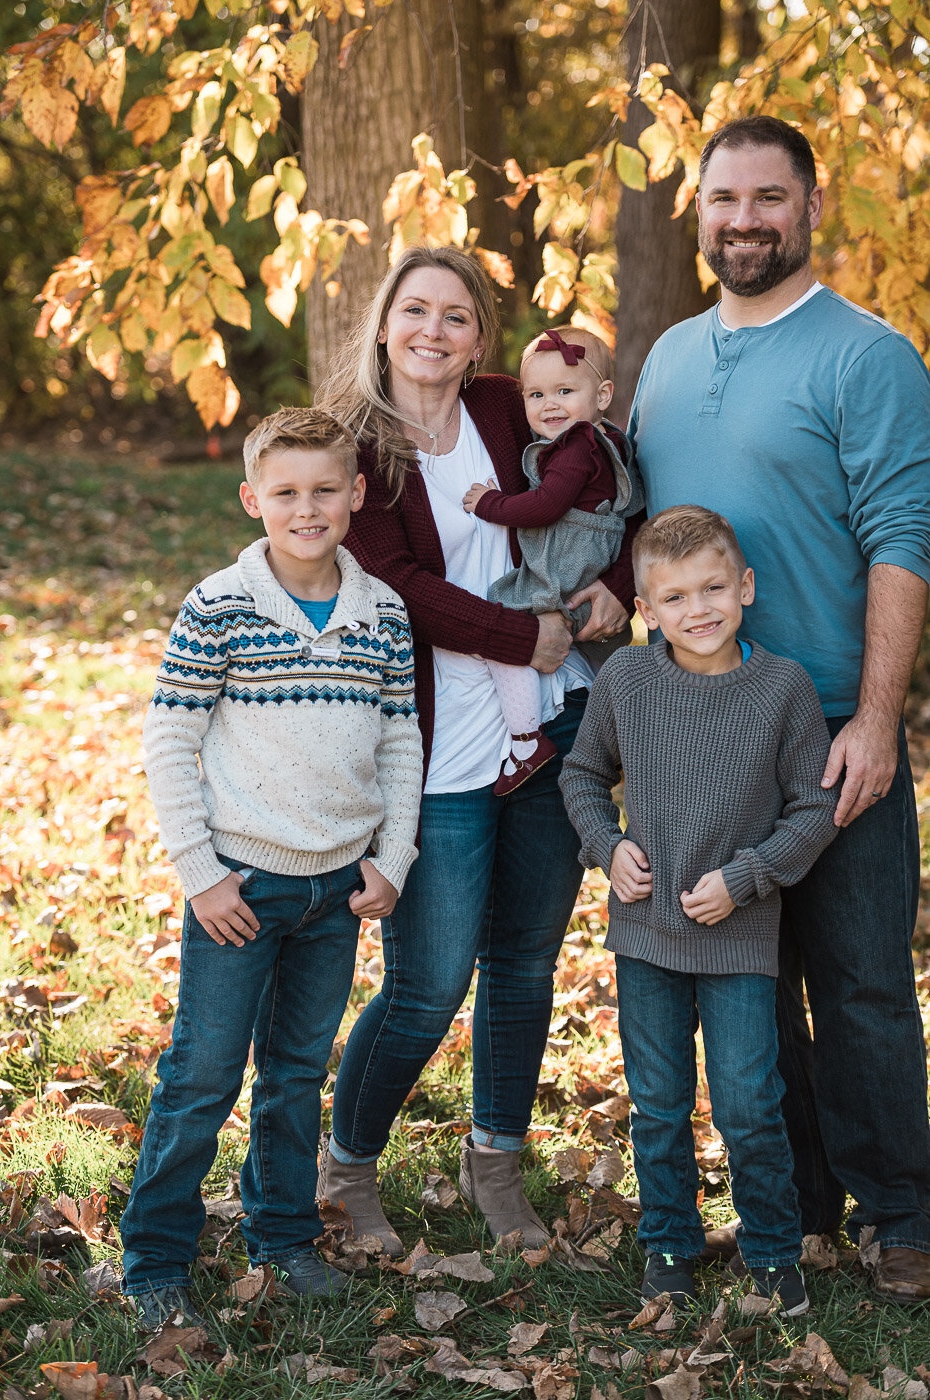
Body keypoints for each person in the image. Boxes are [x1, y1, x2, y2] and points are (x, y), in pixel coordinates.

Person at [629, 114, 930, 1301]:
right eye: (723, 199)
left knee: (857, 978)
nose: (743, 219)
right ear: (696, 213)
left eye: (768, 196)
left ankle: (903, 1211)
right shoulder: (665, 358)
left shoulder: (869, 356)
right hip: (703, 734)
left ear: (811, 205)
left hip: (827, 727)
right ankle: (798, 1201)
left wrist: (874, 714)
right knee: (752, 979)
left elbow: (904, 544)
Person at [314, 245, 638, 1255]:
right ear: (382, 323)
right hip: (432, 742)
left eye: (457, 316)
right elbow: (395, 579)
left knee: (527, 960)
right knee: (429, 978)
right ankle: (345, 1167)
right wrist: (518, 635)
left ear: (481, 337)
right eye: (416, 310)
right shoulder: (354, 447)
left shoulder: (510, 406)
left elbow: (612, 485)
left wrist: (620, 582)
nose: (433, 332)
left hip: (555, 715)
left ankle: (496, 1158)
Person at [119, 409, 422, 1327]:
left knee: (295, 1073)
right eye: (285, 492)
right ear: (253, 499)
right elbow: (169, 737)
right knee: (203, 1074)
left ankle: (283, 1235)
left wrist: (393, 859)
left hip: (336, 889)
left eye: (325, 490)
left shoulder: (383, 613)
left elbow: (400, 739)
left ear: (355, 496)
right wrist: (199, 873)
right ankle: (156, 1258)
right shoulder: (221, 605)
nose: (306, 508)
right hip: (240, 890)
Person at [560, 505, 837, 1315]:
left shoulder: (781, 688)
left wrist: (747, 877)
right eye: (674, 597)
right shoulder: (628, 681)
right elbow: (580, 776)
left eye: (713, 587)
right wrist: (607, 849)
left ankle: (772, 1251)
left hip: (739, 935)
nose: (698, 610)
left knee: (749, 1102)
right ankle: (670, 1245)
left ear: (744, 587)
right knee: (658, 1102)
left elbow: (814, 810)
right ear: (645, 609)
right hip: (645, 934)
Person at [461, 326, 644, 795]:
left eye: (565, 391)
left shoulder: (578, 447)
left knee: (504, 635)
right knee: (605, 657)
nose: (550, 405)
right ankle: (625, 736)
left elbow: (545, 507)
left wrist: (489, 503)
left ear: (602, 395)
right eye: (536, 395)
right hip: (588, 566)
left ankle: (525, 743)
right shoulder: (606, 440)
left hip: (566, 568)